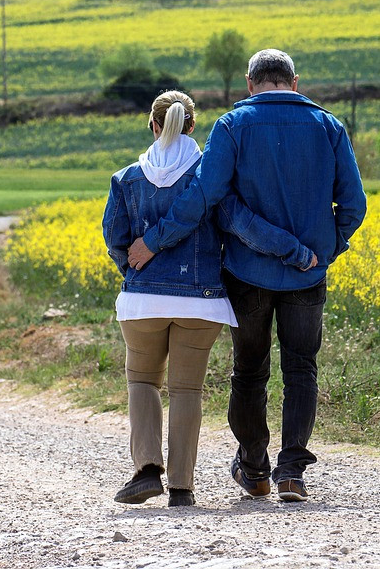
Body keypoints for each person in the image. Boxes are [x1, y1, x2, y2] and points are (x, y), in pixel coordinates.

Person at [127, 50, 367, 502]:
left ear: (249, 82)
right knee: (301, 369)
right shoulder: (329, 126)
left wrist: (156, 240)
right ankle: (292, 470)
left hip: (246, 273)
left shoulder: (232, 127)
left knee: (249, 371)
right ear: (294, 81)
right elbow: (354, 205)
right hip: (308, 276)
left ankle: (254, 468)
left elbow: (206, 196)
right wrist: (323, 251)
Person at [103, 90, 317, 508]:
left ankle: (147, 469)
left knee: (143, 381)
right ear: (192, 126)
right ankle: (182, 488)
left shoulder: (126, 178)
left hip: (142, 302)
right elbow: (244, 225)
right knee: (187, 391)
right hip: (201, 304)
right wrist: (296, 252)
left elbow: (115, 239)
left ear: (151, 125)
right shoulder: (209, 177)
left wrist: (135, 274)